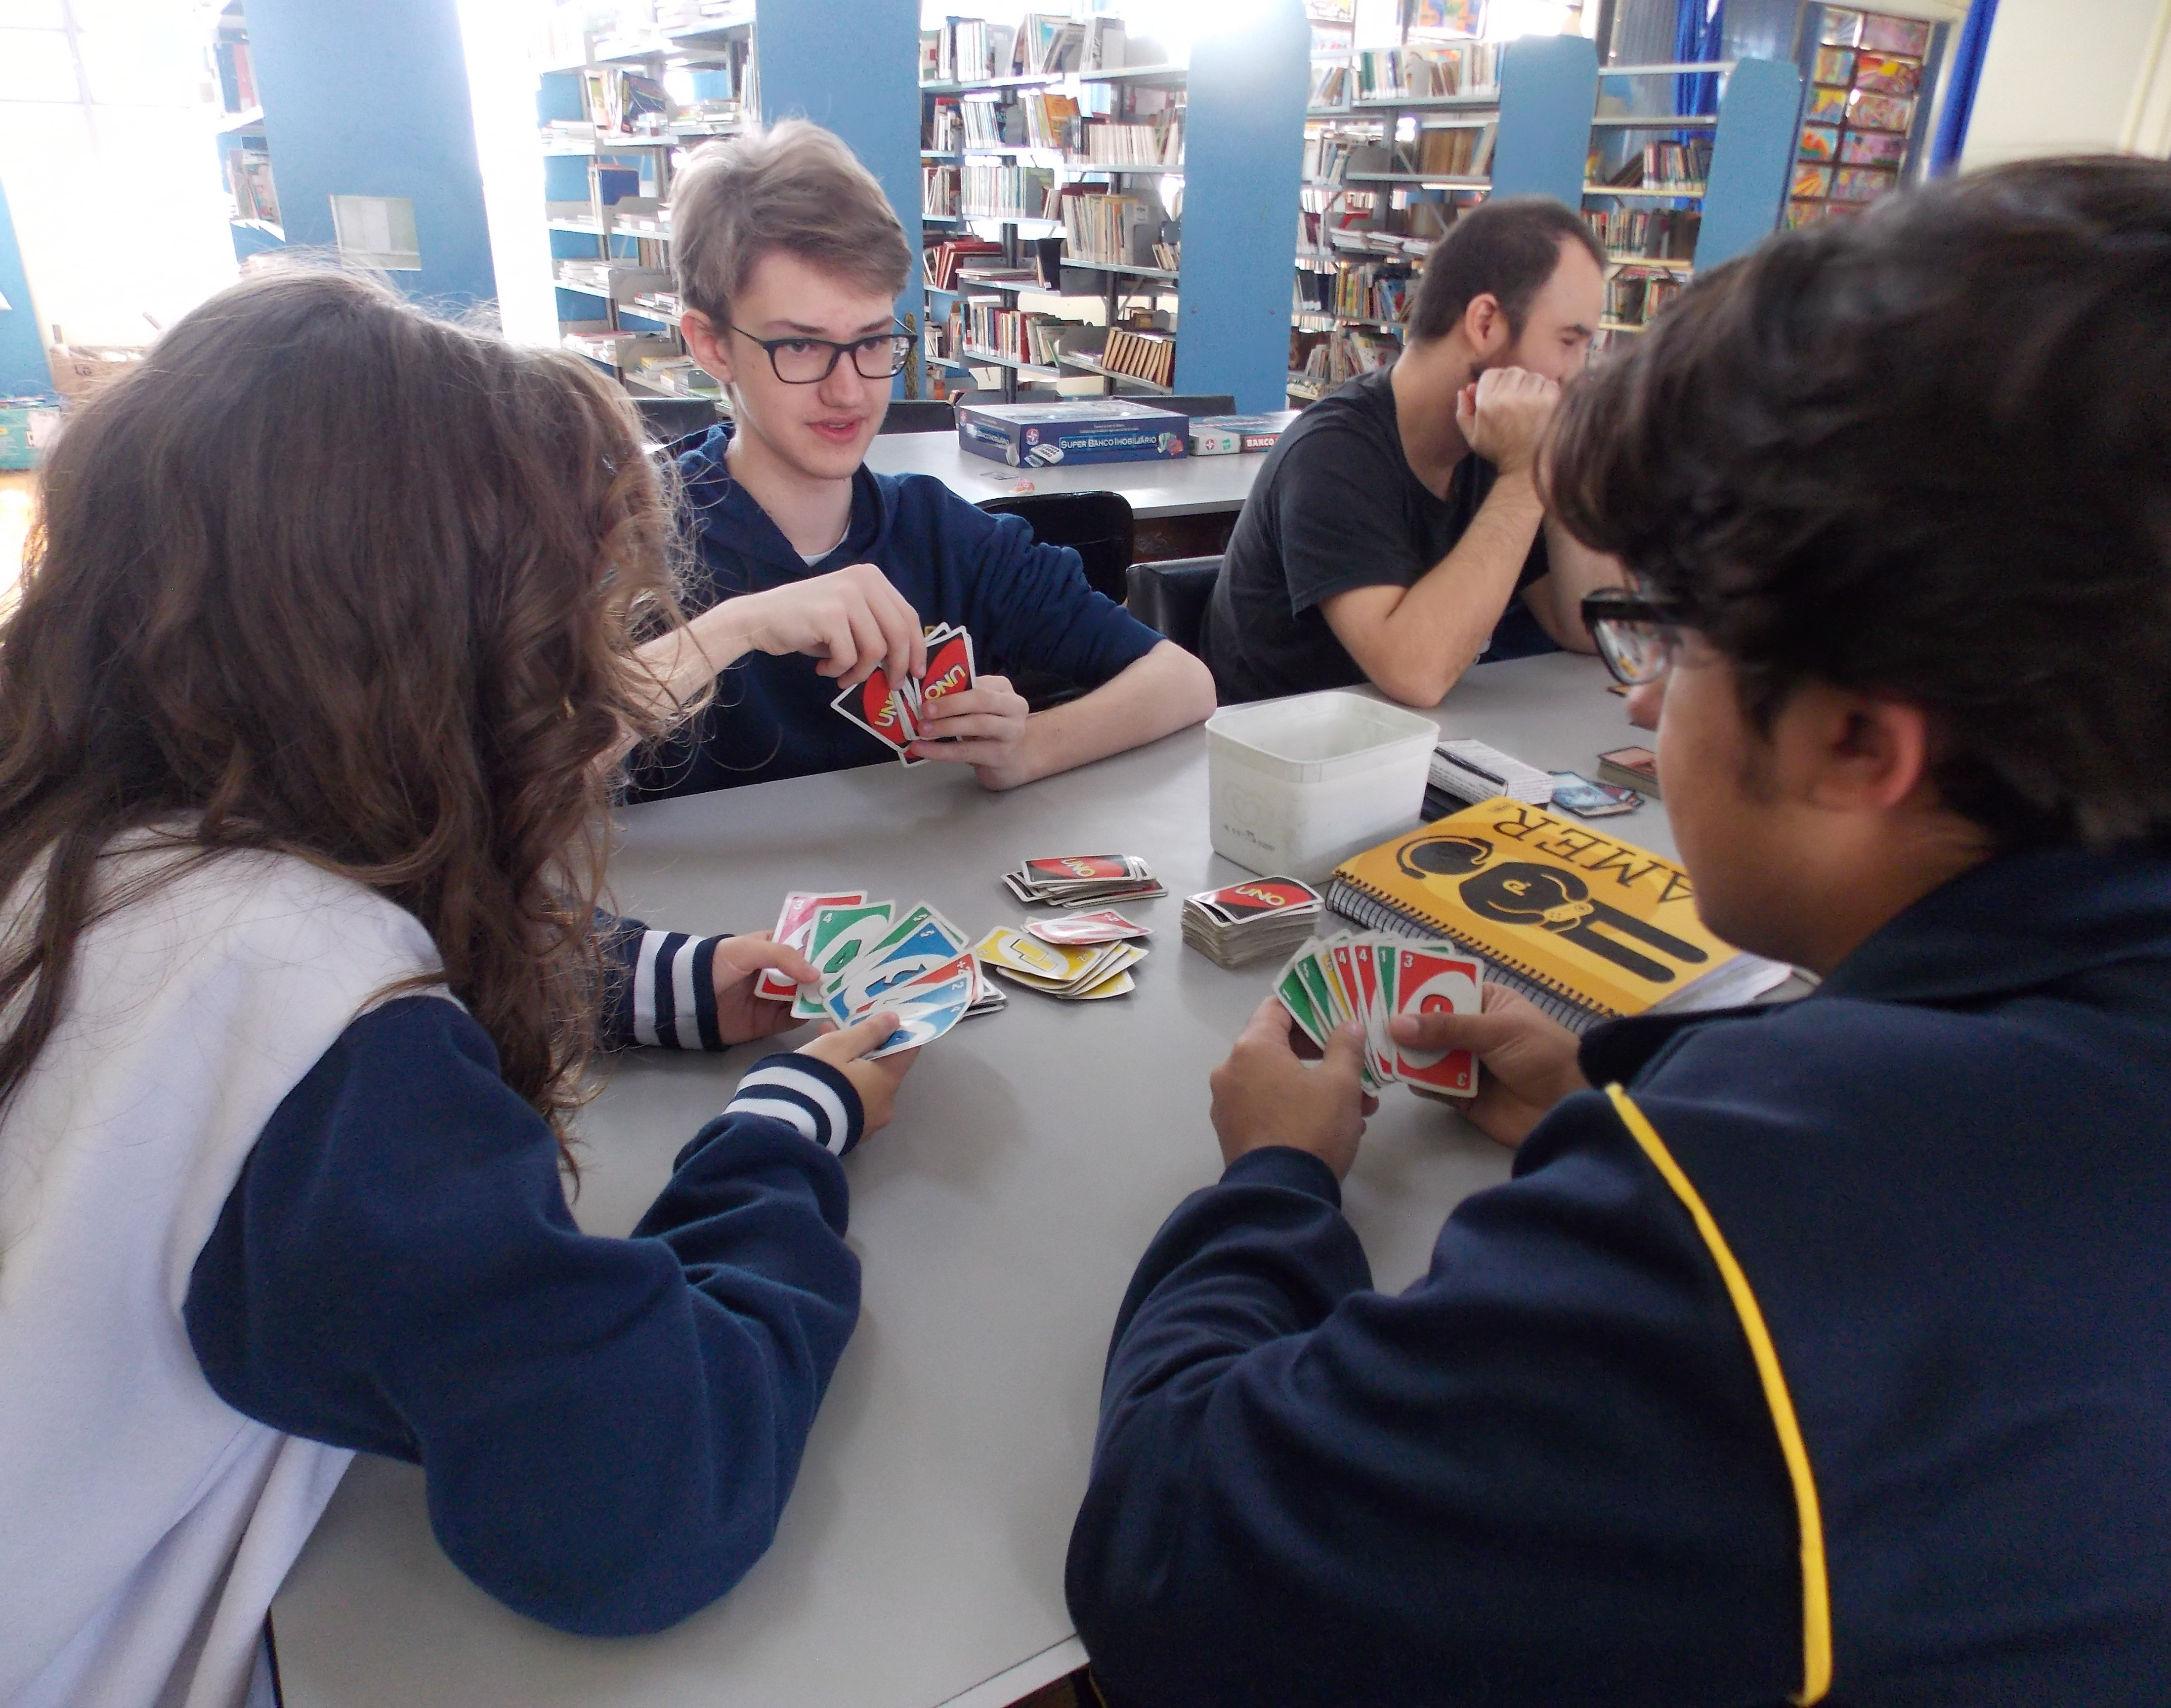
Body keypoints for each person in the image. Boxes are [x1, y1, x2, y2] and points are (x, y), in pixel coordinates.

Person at [1066, 157, 2171, 1705]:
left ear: (1858, 742)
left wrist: (1276, 1182)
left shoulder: (1754, 1235)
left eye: (1682, 636)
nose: (1642, 702)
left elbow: (1174, 1554)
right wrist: (1622, 1082)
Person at [0, 269, 921, 1708]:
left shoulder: (82, 837)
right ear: (429, 662)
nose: (595, 697)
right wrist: (780, 1128)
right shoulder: (327, 1042)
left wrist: (652, 979)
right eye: (560, 643)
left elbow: (337, 922)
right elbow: (645, 1498)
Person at [630, 121, 1215, 797]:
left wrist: (1028, 747)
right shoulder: (630, 538)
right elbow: (536, 771)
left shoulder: (941, 534)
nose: (848, 390)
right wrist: (741, 626)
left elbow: (1184, 682)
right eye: (800, 346)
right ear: (711, 346)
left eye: (873, 342)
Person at [1202, 196, 1628, 707]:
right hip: (1283, 746)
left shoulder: (1501, 440)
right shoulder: (1332, 455)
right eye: (1568, 343)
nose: (1578, 375)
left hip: (1418, 740)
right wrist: (1523, 476)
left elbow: (1592, 626)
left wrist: (1555, 460)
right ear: (1485, 323)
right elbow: (1416, 674)